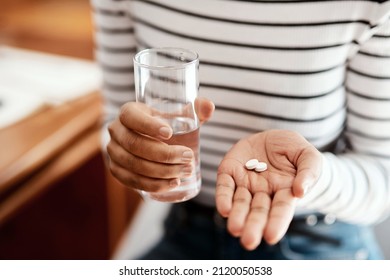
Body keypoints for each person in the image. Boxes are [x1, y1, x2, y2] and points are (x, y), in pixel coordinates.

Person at [91, 0, 390, 259]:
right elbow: (116, 124)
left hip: (316, 239)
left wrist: (314, 177)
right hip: (186, 227)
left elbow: (382, 178)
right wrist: (131, 155)